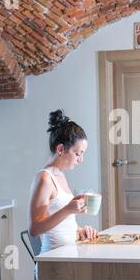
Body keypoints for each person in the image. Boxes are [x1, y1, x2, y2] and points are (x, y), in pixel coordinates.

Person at [29, 109, 98, 254]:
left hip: (67, 258)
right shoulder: (44, 178)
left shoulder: (60, 175)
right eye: (78, 153)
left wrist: (80, 231)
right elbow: (34, 229)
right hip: (52, 263)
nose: (81, 160)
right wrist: (68, 209)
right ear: (61, 149)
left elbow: (61, 225)